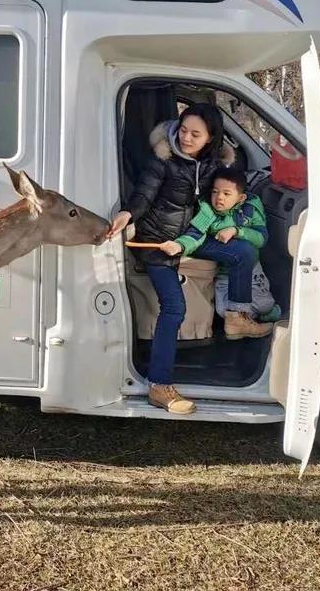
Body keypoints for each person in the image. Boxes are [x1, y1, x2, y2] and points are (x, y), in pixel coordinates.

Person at [108, 103, 229, 415]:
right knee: (175, 307)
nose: (186, 138)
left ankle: (241, 317)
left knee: (242, 253)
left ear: (210, 138)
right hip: (156, 243)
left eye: (195, 134)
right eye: (183, 130)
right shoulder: (163, 159)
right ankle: (159, 385)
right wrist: (127, 214)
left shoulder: (213, 165)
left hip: (188, 240)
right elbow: (144, 194)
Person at [158, 167, 279, 340]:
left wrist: (236, 231)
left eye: (226, 193)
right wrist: (180, 245)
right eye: (215, 192)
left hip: (251, 270)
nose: (219, 197)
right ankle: (239, 318)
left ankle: (265, 314)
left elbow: (261, 238)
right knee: (223, 311)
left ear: (241, 197)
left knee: (266, 305)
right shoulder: (207, 209)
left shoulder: (250, 207)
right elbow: (195, 234)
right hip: (224, 274)